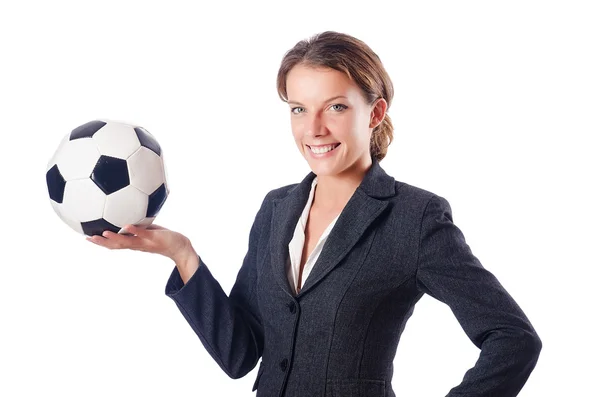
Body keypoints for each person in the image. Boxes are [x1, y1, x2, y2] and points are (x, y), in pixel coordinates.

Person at [86, 31, 542, 397]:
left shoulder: (415, 217)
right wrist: (182, 255)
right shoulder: (275, 209)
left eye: (337, 107)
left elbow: (513, 339)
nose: (314, 129)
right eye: (299, 109)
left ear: (375, 112)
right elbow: (240, 355)